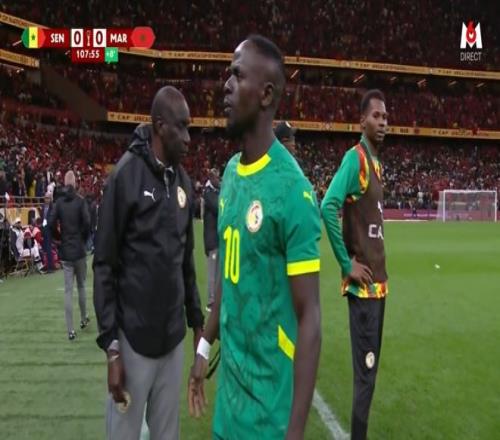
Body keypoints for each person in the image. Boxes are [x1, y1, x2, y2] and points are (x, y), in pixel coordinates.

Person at [188, 35, 322, 440]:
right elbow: (228, 279)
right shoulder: (230, 174)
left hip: (269, 420)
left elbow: (310, 318)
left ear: (266, 95)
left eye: (237, 75)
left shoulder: (294, 192)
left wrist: (294, 432)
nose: (226, 86)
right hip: (227, 414)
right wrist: (203, 348)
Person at [93, 86, 204, 440]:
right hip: (133, 340)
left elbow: (186, 262)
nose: (188, 138)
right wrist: (112, 349)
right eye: (181, 127)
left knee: (167, 435)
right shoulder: (125, 176)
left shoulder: (184, 182)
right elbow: (104, 265)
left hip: (172, 339)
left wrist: (197, 324)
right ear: (159, 126)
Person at [321, 89, 389, 440]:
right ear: (362, 121)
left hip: (378, 288)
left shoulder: (376, 164)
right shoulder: (356, 160)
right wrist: (346, 263)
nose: (383, 122)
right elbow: (328, 206)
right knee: (365, 377)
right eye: (376, 116)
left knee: (370, 376)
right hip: (363, 291)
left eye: (385, 117)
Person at [49, 170, 90, 340]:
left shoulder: (59, 203)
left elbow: (50, 223)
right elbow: (87, 223)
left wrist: (59, 238)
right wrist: (82, 240)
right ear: (75, 183)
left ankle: (70, 330)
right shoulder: (80, 201)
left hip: (66, 250)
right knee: (81, 286)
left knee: (68, 290)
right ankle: (84, 318)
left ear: (65, 183)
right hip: (79, 250)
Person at [202, 168, 220, 312]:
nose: (219, 180)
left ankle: (217, 299)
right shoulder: (208, 193)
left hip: (218, 239)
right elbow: (217, 208)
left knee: (219, 272)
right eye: (217, 178)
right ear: (211, 178)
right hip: (212, 240)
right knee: (212, 273)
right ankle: (211, 301)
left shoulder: (215, 192)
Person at [41, 191, 55, 272]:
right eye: (45, 198)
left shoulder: (52, 207)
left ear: (50, 199)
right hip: (44, 229)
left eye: (48, 198)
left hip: (49, 229)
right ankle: (48, 265)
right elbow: (42, 217)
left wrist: (48, 223)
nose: (46, 199)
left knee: (49, 248)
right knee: (46, 248)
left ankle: (51, 266)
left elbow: (53, 218)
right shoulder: (43, 207)